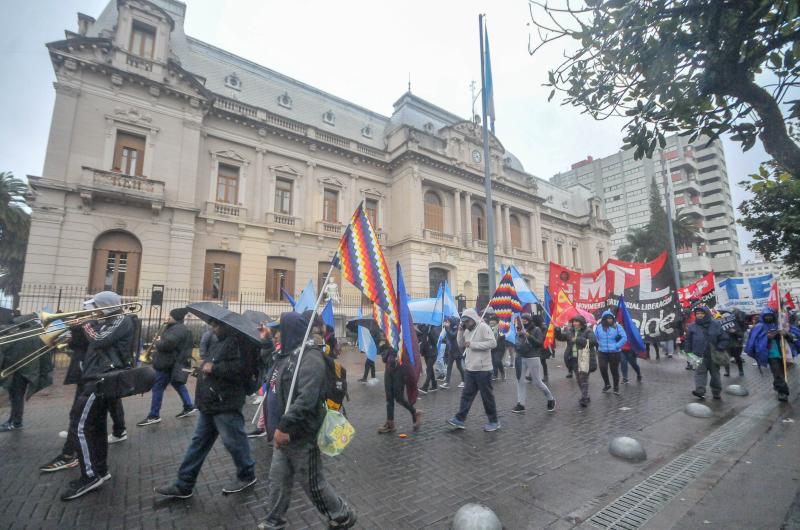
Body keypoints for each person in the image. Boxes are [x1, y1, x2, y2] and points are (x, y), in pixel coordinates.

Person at [259, 312, 357, 529]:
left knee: (313, 484)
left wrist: (284, 426)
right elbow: (269, 369)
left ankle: (342, 515)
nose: (276, 335)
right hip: (283, 436)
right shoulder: (286, 355)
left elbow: (307, 398)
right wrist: (266, 340)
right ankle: (274, 521)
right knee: (278, 480)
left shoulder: (310, 357)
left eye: (279, 331)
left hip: (301, 434)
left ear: (291, 331)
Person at [155, 317, 256, 499]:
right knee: (198, 442)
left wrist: (214, 368)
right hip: (210, 401)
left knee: (234, 442)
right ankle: (184, 483)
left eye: (217, 325)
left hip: (225, 401)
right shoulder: (219, 341)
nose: (213, 328)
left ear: (227, 325)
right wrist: (204, 368)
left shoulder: (240, 343)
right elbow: (212, 363)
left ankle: (246, 474)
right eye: (213, 324)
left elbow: (241, 369)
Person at [61, 291, 135, 501]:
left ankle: (90, 476)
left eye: (95, 307)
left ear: (105, 305)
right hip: (95, 377)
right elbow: (90, 343)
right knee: (95, 427)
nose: (92, 311)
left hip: (101, 379)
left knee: (79, 426)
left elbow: (100, 339)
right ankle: (100, 470)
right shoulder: (106, 320)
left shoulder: (121, 319)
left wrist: (85, 323)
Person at [138, 308, 196, 427]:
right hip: (170, 363)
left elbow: (167, 345)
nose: (167, 316)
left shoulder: (178, 329)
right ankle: (189, 406)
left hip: (167, 364)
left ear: (175, 317)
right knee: (178, 384)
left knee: (157, 387)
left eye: (170, 315)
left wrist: (158, 341)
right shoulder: (175, 327)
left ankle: (154, 415)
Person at [447, 309, 499, 432]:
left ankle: (494, 421)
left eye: (467, 321)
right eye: (464, 322)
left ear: (473, 319)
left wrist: (474, 345)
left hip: (483, 369)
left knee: (487, 397)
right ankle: (460, 419)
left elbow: (493, 343)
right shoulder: (466, 329)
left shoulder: (483, 327)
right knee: (466, 395)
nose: (465, 324)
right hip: (470, 368)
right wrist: (460, 331)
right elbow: (461, 343)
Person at [0, 315, 47, 432]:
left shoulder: (19, 335)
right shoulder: (36, 335)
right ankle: (15, 420)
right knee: (17, 398)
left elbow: (5, 347)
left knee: (16, 398)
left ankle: (15, 422)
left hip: (18, 372)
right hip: (28, 372)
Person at [744, 308, 797, 402]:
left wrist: (785, 334)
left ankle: (777, 386)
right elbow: (755, 342)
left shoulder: (779, 325)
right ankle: (783, 392)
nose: (769, 317)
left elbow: (792, 336)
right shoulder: (759, 326)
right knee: (778, 373)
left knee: (780, 373)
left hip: (784, 353)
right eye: (766, 316)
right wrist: (767, 338)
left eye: (770, 315)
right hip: (771, 355)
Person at [376, 328, 422, 434]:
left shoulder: (402, 331)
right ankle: (390, 424)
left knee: (399, 398)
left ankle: (415, 412)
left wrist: (397, 350)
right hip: (389, 369)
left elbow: (408, 350)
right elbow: (384, 358)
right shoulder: (385, 339)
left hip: (400, 370)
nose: (382, 333)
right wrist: (383, 345)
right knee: (389, 398)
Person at [512, 314, 555, 413]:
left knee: (537, 382)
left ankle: (550, 399)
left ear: (530, 320)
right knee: (520, 381)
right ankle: (521, 404)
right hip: (521, 357)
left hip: (532, 357)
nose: (524, 321)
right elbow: (517, 342)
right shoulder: (518, 329)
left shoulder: (536, 330)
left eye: (526, 319)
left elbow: (539, 343)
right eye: (522, 319)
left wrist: (528, 336)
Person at [686, 306, 729, 401]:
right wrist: (688, 352)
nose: (699, 315)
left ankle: (716, 391)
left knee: (715, 375)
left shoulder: (716, 325)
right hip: (698, 355)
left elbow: (724, 338)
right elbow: (688, 341)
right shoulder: (692, 327)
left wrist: (720, 347)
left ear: (706, 314)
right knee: (699, 373)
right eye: (697, 314)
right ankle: (700, 391)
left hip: (713, 355)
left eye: (702, 313)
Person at [556, 315, 596, 407]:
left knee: (583, 378)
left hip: (584, 358)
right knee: (579, 379)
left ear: (581, 323)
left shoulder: (588, 331)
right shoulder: (570, 331)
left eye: (576, 322)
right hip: (573, 359)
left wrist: (577, 339)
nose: (574, 323)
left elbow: (593, 342)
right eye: (573, 322)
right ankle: (585, 395)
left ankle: (584, 398)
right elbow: (562, 337)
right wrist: (557, 331)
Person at [594, 310, 627, 395]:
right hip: (602, 352)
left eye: (611, 318)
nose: (610, 320)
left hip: (615, 353)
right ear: (604, 319)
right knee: (602, 368)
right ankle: (607, 384)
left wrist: (616, 346)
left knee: (614, 371)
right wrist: (599, 344)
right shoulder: (598, 327)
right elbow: (596, 337)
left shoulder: (617, 326)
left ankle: (616, 388)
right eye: (608, 318)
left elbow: (624, 337)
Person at [441, 316, 464, 389]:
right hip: (451, 351)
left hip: (457, 350)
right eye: (447, 322)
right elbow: (448, 338)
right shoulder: (449, 328)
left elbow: (453, 335)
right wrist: (443, 341)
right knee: (449, 367)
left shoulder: (457, 327)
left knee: (459, 366)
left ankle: (464, 380)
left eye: (448, 321)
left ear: (452, 321)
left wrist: (447, 328)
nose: (447, 323)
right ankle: (447, 382)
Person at [722, 309, 746, 377]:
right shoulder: (720, 326)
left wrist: (735, 332)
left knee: (737, 358)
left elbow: (741, 334)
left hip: (735, 344)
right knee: (726, 359)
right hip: (726, 345)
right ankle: (727, 371)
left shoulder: (735, 324)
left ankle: (741, 370)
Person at [418, 324, 439, 394]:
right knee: (430, 369)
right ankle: (434, 385)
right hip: (426, 353)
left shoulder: (434, 329)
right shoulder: (424, 329)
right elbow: (422, 341)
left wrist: (429, 333)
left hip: (432, 353)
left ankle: (425, 387)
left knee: (428, 369)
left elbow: (435, 341)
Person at [488, 315, 506, 381]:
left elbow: (503, 336)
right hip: (491, 348)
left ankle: (502, 372)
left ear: (496, 322)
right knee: (493, 362)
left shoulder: (500, 328)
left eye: (493, 321)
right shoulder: (488, 328)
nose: (491, 323)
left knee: (497, 360)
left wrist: (500, 335)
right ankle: (495, 375)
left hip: (499, 348)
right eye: (490, 322)